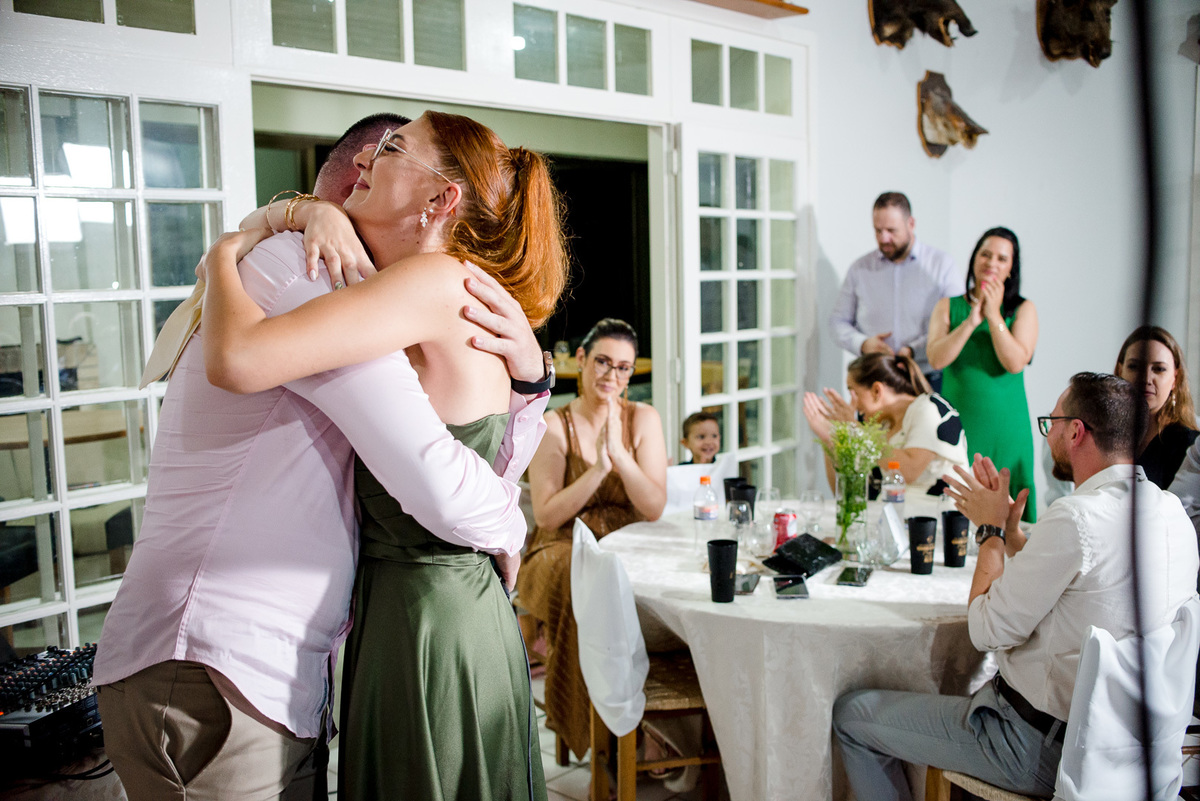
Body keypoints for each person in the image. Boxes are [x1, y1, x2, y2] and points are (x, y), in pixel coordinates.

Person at [93, 113, 553, 800]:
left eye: (392, 150)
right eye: (371, 153)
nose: (370, 160)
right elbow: (450, 476)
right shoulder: (310, 268)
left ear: (440, 198)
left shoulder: (415, 285)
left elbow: (443, 475)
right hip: (223, 654)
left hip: (406, 622)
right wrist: (511, 520)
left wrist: (533, 389)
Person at [833, 372, 1199, 800]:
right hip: (1132, 753)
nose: (1048, 434)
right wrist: (1012, 533)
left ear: (1076, 432)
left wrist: (989, 531)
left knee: (852, 716)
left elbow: (985, 631)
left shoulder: (1077, 517)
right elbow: (1083, 589)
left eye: (1051, 422)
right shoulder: (1171, 512)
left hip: (1036, 746)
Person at [517, 318, 668, 760]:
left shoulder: (643, 418)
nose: (612, 375)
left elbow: (654, 507)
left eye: (623, 368)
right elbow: (547, 513)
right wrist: (599, 469)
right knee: (585, 579)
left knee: (651, 580)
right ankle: (605, 742)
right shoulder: (554, 423)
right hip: (560, 545)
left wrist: (620, 455)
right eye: (603, 362)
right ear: (581, 360)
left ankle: (660, 717)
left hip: (625, 542)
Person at [927, 226, 1039, 522]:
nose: (992, 263)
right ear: (974, 258)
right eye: (985, 254)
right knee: (955, 512)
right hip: (959, 427)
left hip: (1007, 428)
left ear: (1011, 268)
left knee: (1011, 517)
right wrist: (970, 322)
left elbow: (1015, 362)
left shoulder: (1023, 309)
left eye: (1002, 258)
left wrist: (993, 316)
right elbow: (936, 359)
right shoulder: (948, 306)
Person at [829, 192, 959, 390]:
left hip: (927, 378)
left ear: (911, 224)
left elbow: (955, 323)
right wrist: (863, 344)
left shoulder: (942, 266)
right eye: (878, 231)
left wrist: (913, 351)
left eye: (891, 230)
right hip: (875, 381)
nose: (884, 238)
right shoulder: (859, 269)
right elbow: (837, 322)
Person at [803, 352, 969, 496]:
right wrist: (830, 440)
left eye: (854, 392)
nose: (853, 404)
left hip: (937, 519)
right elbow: (848, 494)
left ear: (877, 390)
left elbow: (908, 471)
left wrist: (855, 429)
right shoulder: (879, 428)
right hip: (890, 519)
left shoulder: (929, 408)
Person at [1114, 325, 1199, 488]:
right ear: (1120, 371)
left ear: (1175, 378)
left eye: (1159, 369)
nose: (1146, 378)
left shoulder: (1190, 446)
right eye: (1134, 366)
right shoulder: (1104, 438)